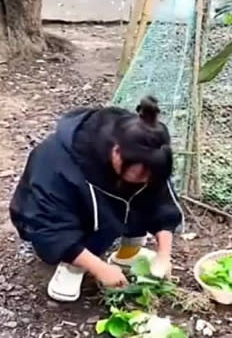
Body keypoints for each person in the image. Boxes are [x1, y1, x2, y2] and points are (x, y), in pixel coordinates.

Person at [9, 96, 184, 302]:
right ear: (117, 152)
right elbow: (47, 225)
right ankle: (73, 265)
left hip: (109, 209)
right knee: (78, 228)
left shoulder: (146, 150)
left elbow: (162, 200)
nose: (145, 181)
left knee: (141, 196)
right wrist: (100, 268)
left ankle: (128, 253)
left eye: (151, 176)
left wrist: (164, 255)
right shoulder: (56, 161)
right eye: (139, 175)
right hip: (59, 216)